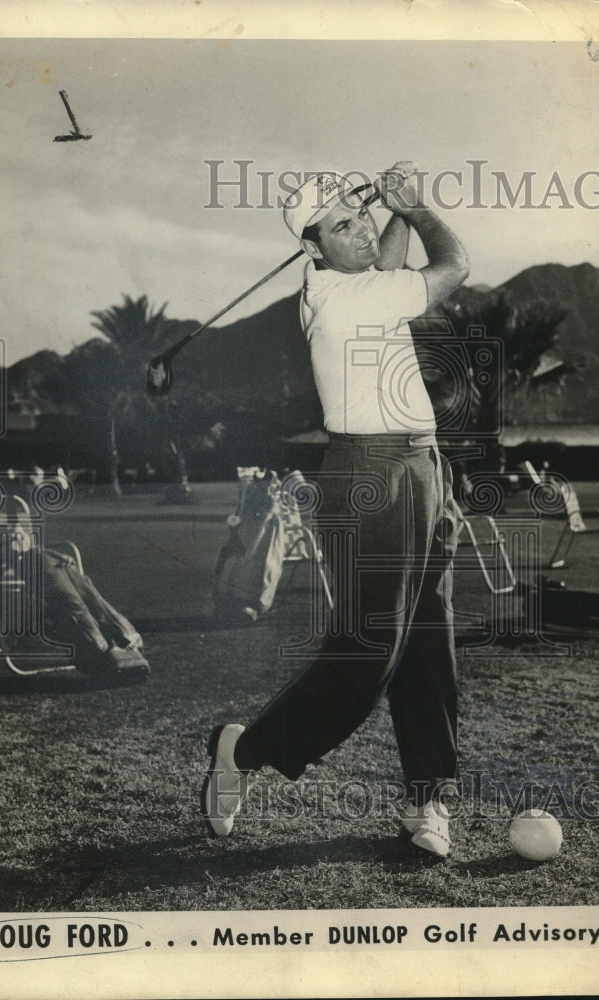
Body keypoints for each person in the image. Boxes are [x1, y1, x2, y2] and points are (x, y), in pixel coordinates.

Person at [202, 162, 470, 857]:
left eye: (358, 219)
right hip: (372, 474)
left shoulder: (352, 285)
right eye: (340, 227)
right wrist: (413, 206)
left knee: (429, 640)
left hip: (419, 465)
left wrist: (386, 215)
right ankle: (243, 752)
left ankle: (427, 803)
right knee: (366, 656)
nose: (358, 232)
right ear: (313, 248)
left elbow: (385, 261)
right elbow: (454, 264)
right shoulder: (348, 300)